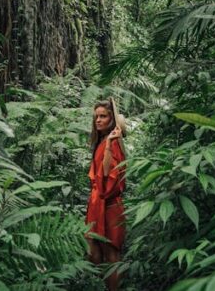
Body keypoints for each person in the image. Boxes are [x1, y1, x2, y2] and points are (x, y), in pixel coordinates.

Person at [85, 100, 126, 291]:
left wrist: (110, 142)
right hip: (96, 205)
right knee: (93, 253)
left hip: (109, 205)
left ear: (112, 119)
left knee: (111, 256)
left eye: (103, 116)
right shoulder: (101, 141)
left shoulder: (113, 143)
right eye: (96, 117)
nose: (98, 120)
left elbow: (110, 176)